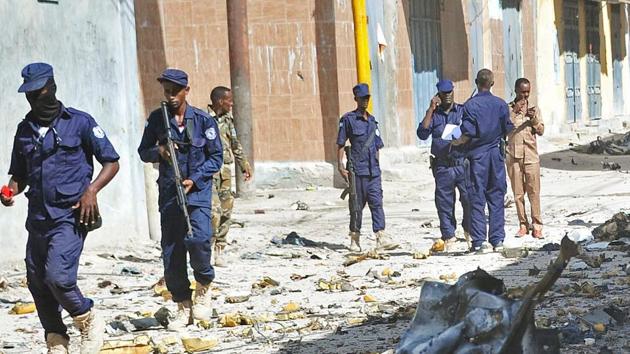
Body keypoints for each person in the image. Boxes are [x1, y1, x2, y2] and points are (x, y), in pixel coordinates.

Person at [1, 62, 120, 353]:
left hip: (71, 214)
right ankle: (56, 338)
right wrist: (8, 191)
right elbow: (20, 176)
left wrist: (92, 190)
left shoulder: (79, 122)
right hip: (38, 218)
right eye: (29, 95)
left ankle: (88, 320)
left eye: (39, 92)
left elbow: (111, 161)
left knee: (58, 276)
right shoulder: (25, 129)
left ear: (51, 88)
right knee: (37, 281)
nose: (34, 100)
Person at [138, 68, 223, 329]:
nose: (171, 96)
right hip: (169, 194)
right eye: (167, 91)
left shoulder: (203, 121)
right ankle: (182, 303)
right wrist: (160, 150)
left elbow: (215, 157)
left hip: (196, 194)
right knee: (172, 251)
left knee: (198, 239)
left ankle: (204, 285)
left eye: (176, 91)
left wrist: (195, 179)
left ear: (187, 90)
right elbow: (144, 152)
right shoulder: (157, 120)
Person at [452, 69, 514, 253]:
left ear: (476, 82)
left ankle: (479, 241)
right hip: (496, 155)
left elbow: (467, 133)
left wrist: (455, 142)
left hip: (478, 157)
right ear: (492, 83)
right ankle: (497, 240)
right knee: (496, 196)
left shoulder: (470, 106)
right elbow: (508, 129)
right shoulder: (501, 104)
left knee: (476, 196)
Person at [336, 83, 398, 252]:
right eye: (362, 98)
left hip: (373, 172)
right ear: (356, 99)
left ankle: (380, 237)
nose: (365, 101)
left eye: (367, 98)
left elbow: (377, 146)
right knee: (356, 206)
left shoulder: (372, 121)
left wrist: (377, 165)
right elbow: (341, 143)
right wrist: (340, 166)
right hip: (357, 171)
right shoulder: (348, 120)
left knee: (377, 203)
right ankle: (354, 238)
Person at [417, 79, 470, 251]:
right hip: (442, 166)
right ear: (438, 95)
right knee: (444, 203)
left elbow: (471, 130)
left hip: (461, 163)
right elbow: (422, 134)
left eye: (449, 92)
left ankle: (469, 229)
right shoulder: (435, 115)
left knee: (468, 199)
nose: (447, 96)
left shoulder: (462, 111)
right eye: (444, 93)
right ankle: (449, 235)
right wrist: (430, 110)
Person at [207, 86, 252, 266]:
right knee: (213, 211)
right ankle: (207, 248)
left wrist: (244, 164)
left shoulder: (228, 120)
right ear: (220, 101)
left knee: (226, 209)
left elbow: (235, 144)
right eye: (229, 100)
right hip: (209, 171)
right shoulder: (203, 119)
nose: (232, 104)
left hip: (225, 170)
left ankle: (220, 250)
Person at [506, 78, 544, 239]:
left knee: (533, 192)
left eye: (528, 92)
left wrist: (534, 119)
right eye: (522, 92)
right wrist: (515, 111)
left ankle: (537, 225)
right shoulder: (507, 109)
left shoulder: (534, 109)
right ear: (516, 91)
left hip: (531, 156)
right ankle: (523, 224)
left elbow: (541, 130)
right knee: (518, 193)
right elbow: (504, 128)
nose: (525, 95)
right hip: (513, 155)